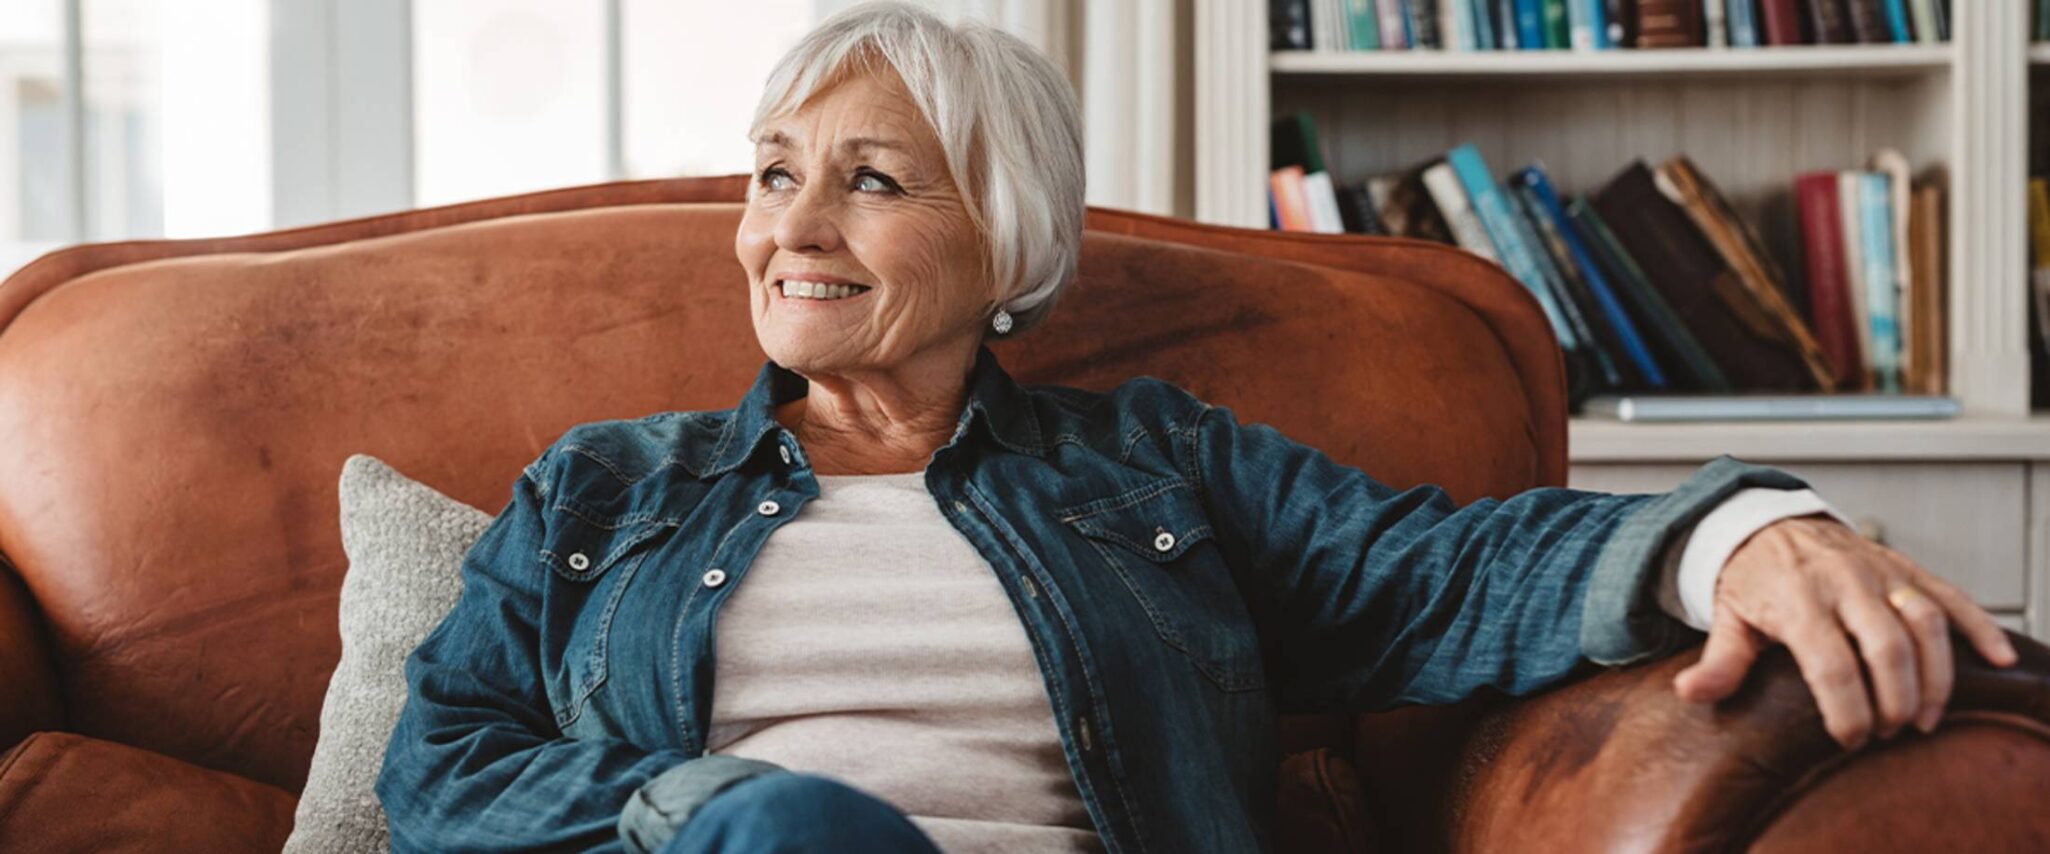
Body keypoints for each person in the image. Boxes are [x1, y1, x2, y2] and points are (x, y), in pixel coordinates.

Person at [374, 3, 2020, 852]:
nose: (790, 224)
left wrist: (1746, 530)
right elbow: (443, 768)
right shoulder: (605, 487)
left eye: (869, 180)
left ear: (1004, 240)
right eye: (772, 170)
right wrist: (708, 817)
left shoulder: (1149, 469)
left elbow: (1446, 565)